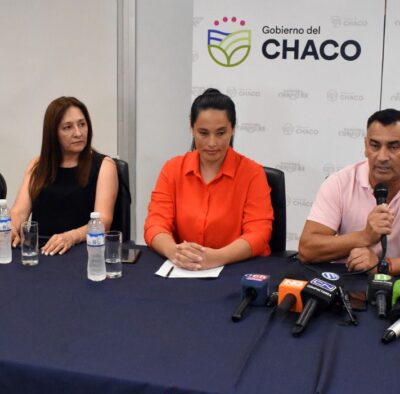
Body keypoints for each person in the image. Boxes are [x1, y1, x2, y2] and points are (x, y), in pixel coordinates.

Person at [144, 88, 273, 270]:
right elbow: (155, 224)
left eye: (221, 133)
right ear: (192, 129)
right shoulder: (172, 169)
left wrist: (218, 257)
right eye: (203, 133)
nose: (212, 143)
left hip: (236, 269)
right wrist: (175, 252)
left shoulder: (253, 173)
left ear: (233, 129)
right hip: (184, 269)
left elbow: (259, 233)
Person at [11, 96, 118, 255]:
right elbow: (19, 212)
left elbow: (103, 222)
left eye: (82, 124)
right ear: (53, 133)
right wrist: (10, 228)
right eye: (68, 127)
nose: (78, 133)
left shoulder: (105, 166)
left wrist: (71, 237)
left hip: (83, 252)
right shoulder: (37, 165)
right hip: (41, 252)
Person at [299, 108, 400, 272]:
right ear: (366, 146)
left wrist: (383, 266)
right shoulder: (340, 182)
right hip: (348, 279)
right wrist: (364, 236)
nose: (382, 157)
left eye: (393, 147)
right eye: (375, 146)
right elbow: (307, 249)